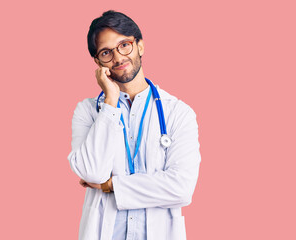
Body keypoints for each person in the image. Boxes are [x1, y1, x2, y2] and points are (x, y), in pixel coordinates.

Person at [67, 10, 201, 240]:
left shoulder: (178, 113)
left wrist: (111, 185)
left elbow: (181, 188)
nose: (118, 58)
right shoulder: (88, 111)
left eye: (124, 45)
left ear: (140, 46)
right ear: (98, 62)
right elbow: (92, 172)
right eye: (106, 52)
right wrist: (110, 100)